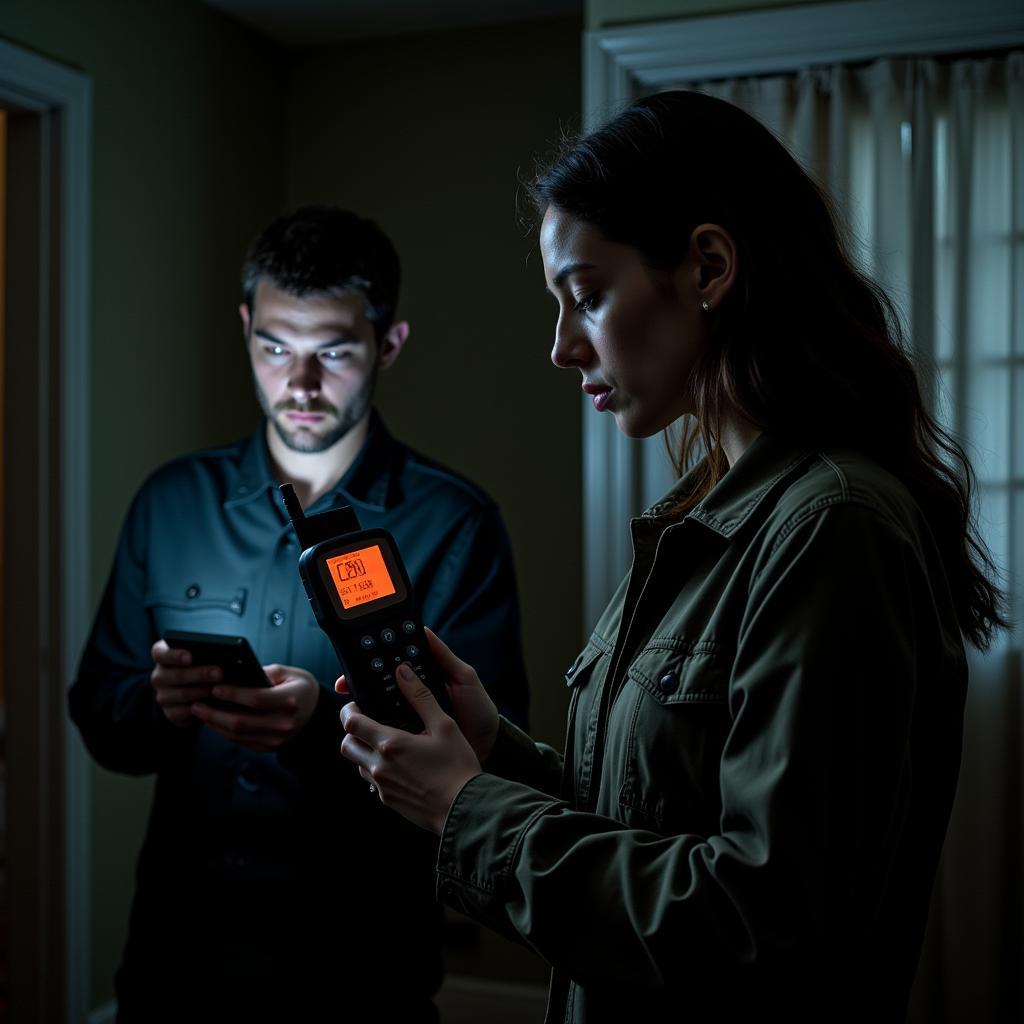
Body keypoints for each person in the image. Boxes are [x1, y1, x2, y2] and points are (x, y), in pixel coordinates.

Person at [336, 91, 1008, 1023]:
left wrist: (468, 813)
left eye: (587, 295)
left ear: (709, 266)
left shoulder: (830, 527)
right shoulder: (708, 518)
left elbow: (758, 921)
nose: (563, 347)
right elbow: (657, 825)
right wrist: (494, 753)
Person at [69, 205, 529, 1023]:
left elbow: (485, 769)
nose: (301, 383)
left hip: (356, 975)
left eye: (335, 353)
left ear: (388, 345)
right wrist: (160, 705)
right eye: (275, 346)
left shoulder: (456, 525)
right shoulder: (170, 502)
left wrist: (324, 725)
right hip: (176, 965)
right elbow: (100, 716)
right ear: (245, 327)